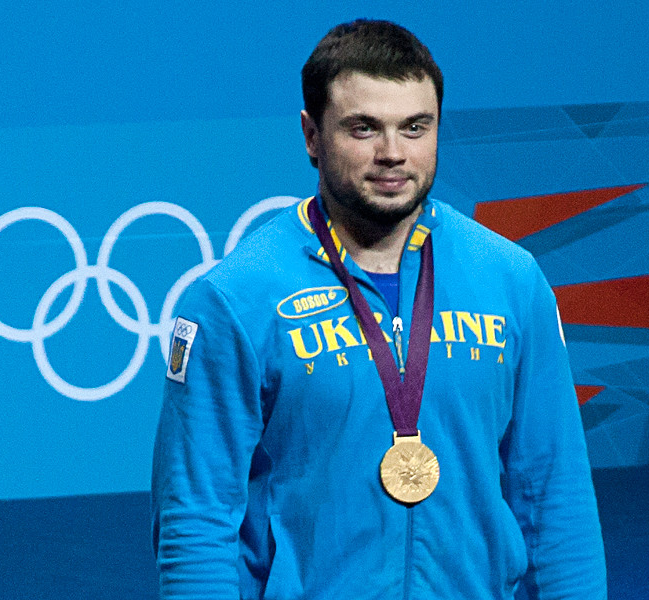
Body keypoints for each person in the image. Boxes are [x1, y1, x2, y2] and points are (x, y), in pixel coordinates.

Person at [152, 19, 607, 600]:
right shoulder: (235, 300)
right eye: (363, 128)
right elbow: (196, 519)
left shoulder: (512, 281)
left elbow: (554, 491)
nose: (393, 154)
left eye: (415, 127)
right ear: (312, 136)